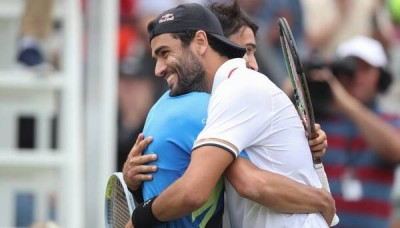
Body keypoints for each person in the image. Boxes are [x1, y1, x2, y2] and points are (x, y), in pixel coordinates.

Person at [126, 3, 334, 227]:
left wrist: (137, 220)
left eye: (165, 53)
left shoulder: (236, 88)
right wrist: (134, 184)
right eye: (245, 49)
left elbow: (209, 188)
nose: (158, 69)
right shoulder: (216, 99)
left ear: (201, 42)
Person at [307, 35, 400, 227]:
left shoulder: (390, 121)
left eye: (366, 69)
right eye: (349, 70)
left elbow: (395, 150)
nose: (357, 77)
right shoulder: (318, 122)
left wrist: (345, 102)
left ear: (380, 76)